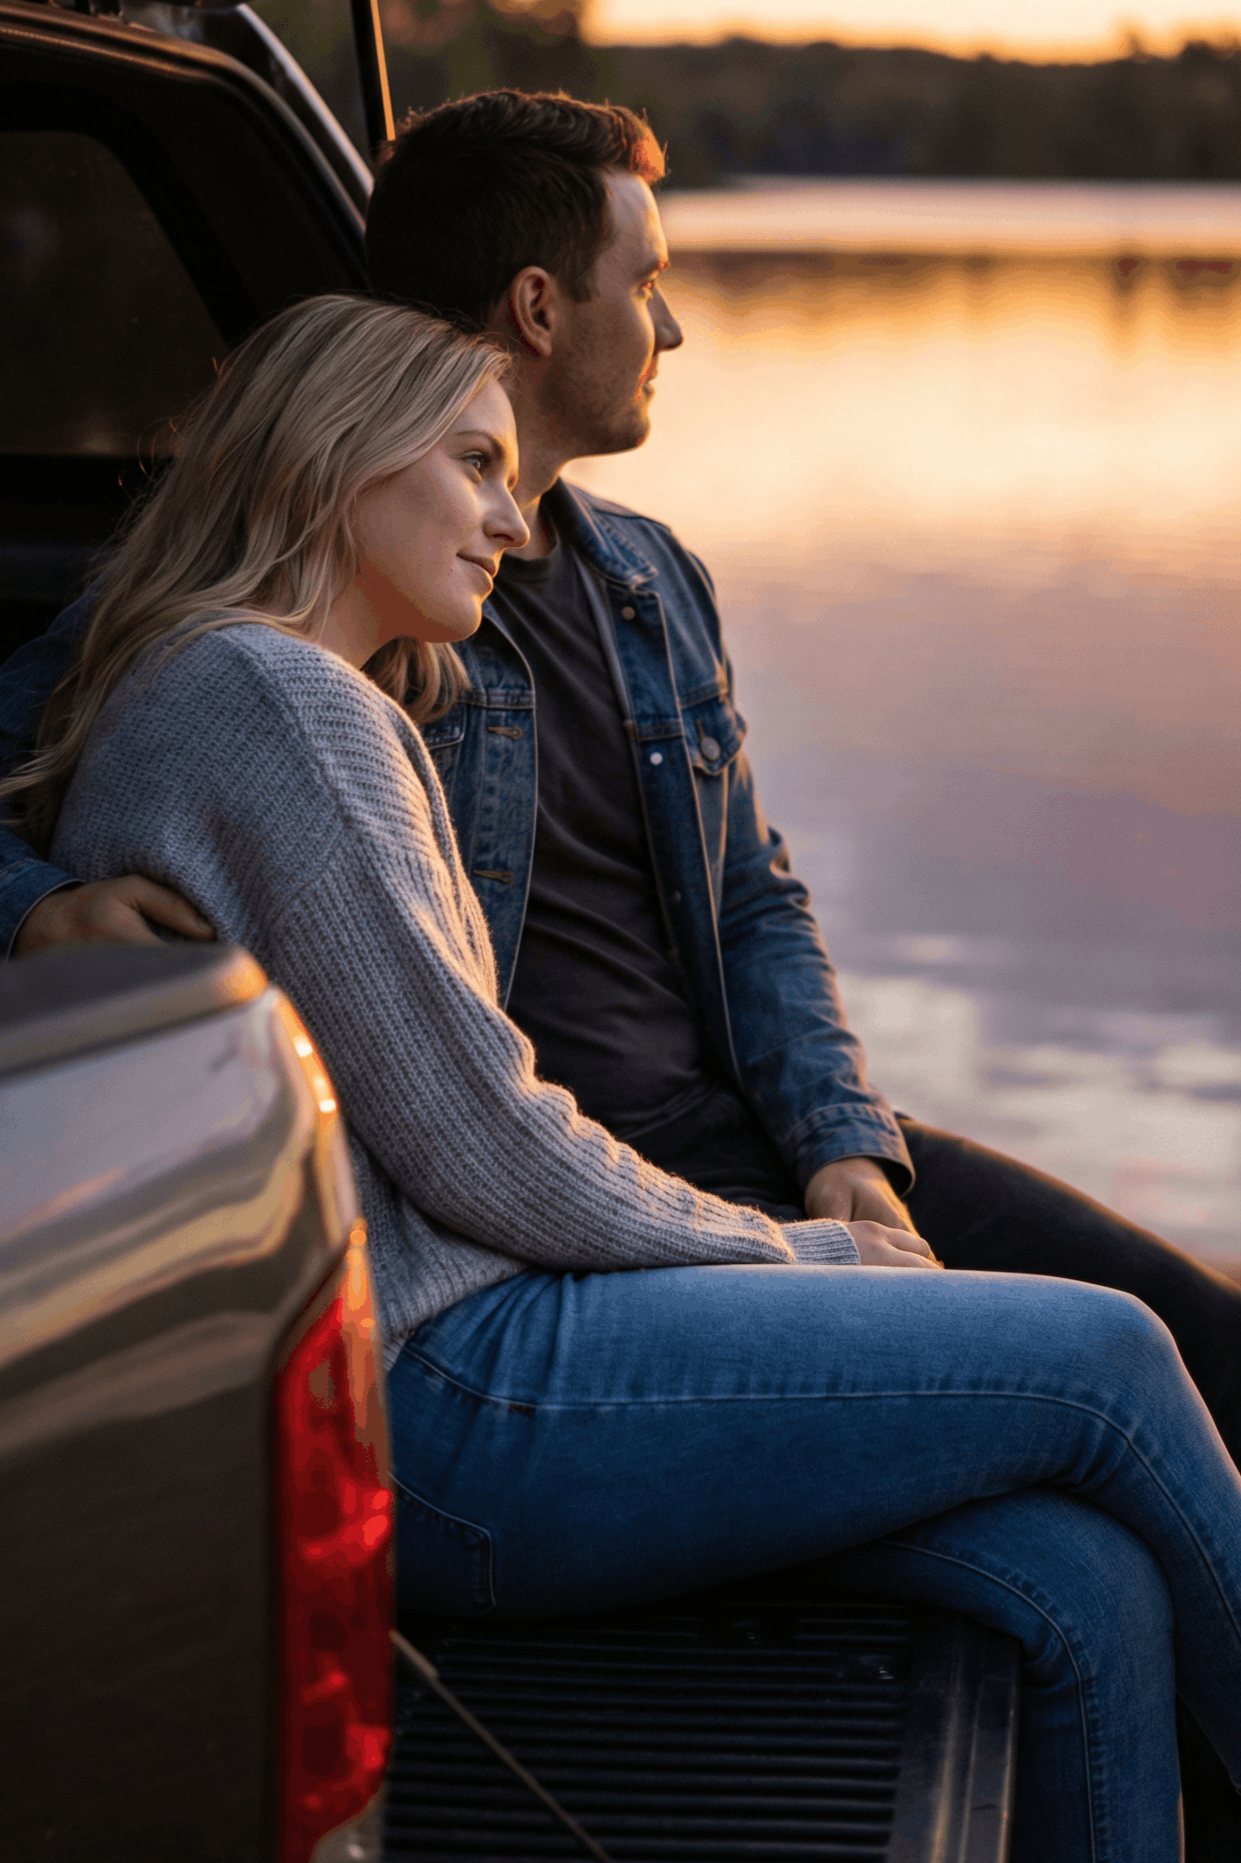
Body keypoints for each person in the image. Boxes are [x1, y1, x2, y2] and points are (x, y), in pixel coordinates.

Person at [5, 284, 1241, 1863]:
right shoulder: (279, 702)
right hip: (443, 1392)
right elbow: (487, 1147)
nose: (512, 522)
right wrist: (797, 1249)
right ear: (336, 456)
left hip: (421, 1367)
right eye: (473, 466)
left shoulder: (247, 689)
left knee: (1078, 1574)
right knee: (1111, 1353)